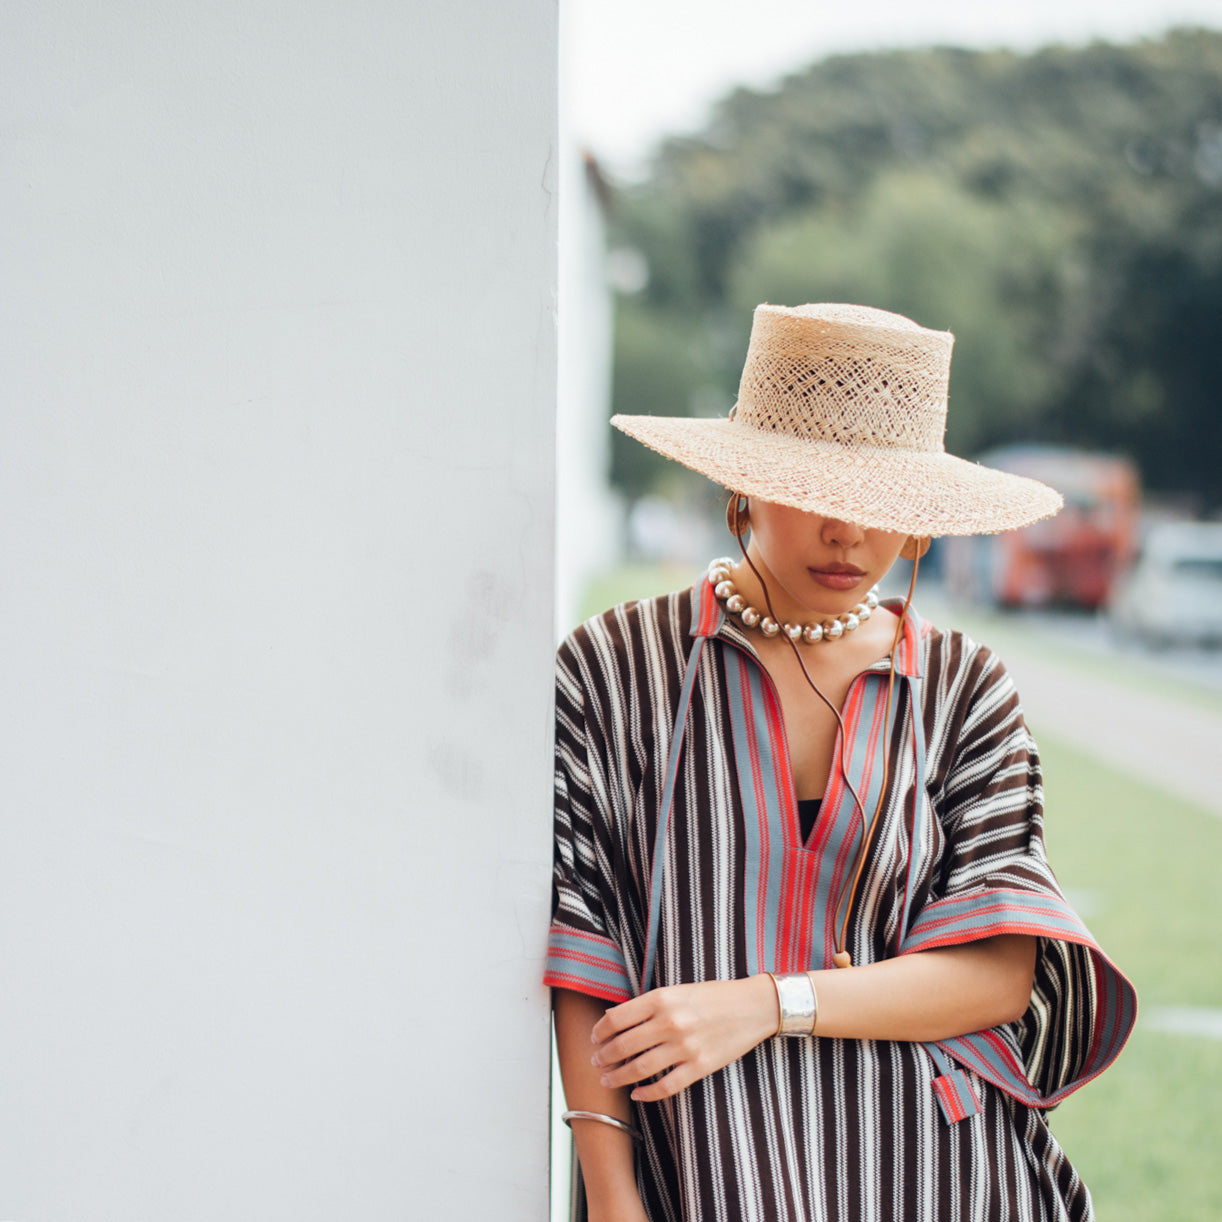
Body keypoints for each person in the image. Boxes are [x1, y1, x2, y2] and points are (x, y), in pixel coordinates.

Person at [545, 303, 1135, 1222]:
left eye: (882, 503)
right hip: (703, 1168)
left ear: (919, 528)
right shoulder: (616, 669)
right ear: (741, 485)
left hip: (939, 1171)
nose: (847, 533)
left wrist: (761, 1004)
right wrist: (614, 1199)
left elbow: (999, 975)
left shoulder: (962, 689)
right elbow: (583, 952)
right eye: (816, 487)